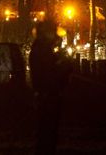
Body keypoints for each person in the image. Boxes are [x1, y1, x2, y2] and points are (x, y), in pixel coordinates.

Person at [29, 20, 73, 155]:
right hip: (48, 98)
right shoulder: (42, 51)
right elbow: (50, 76)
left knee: (47, 133)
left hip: (47, 97)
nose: (56, 36)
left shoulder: (42, 49)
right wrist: (65, 67)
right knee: (47, 133)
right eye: (53, 32)